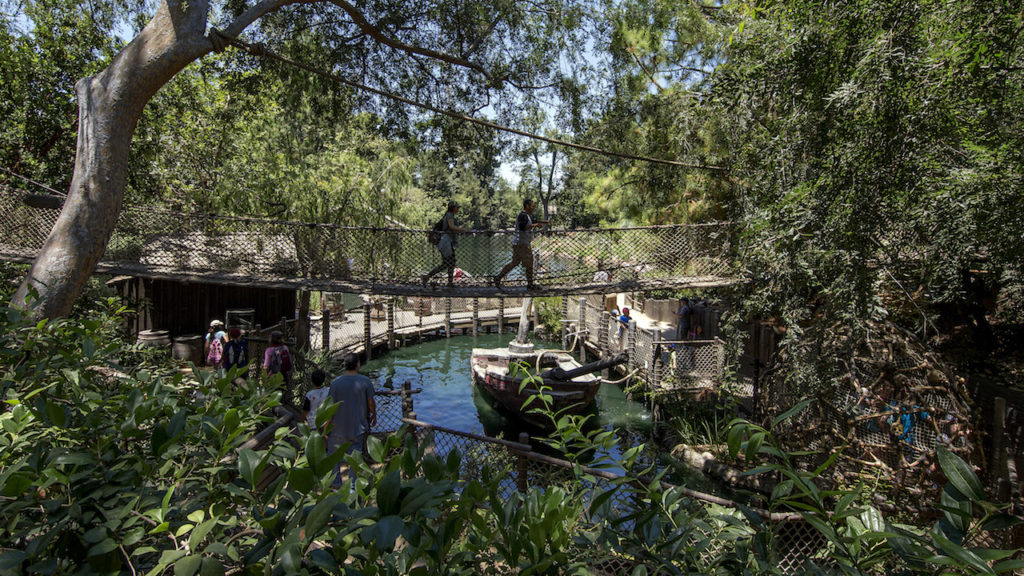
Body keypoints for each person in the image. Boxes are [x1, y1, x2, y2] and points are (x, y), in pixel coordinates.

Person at [327, 353, 377, 490]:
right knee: (355, 458)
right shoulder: (365, 381)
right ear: (357, 365)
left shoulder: (335, 383)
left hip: (337, 428)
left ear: (344, 365)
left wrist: (326, 425)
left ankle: (336, 485)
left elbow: (330, 406)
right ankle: (352, 486)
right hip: (357, 427)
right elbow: (371, 402)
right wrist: (374, 414)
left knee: (333, 456)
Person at [493, 199, 548, 290]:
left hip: (518, 243)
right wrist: (535, 225)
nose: (533, 208)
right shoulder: (522, 215)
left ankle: (498, 277)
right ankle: (530, 285)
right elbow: (523, 227)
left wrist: (543, 222)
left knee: (515, 262)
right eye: (532, 206)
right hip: (522, 244)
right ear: (527, 206)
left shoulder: (526, 216)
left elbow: (533, 221)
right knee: (530, 263)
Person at [422, 201, 469, 286]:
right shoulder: (450, 215)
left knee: (450, 262)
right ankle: (428, 276)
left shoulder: (449, 215)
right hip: (446, 242)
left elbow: (452, 228)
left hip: (447, 241)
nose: (458, 209)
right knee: (448, 263)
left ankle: (449, 282)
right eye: (457, 207)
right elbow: (451, 227)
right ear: (453, 208)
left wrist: (461, 228)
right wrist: (462, 229)